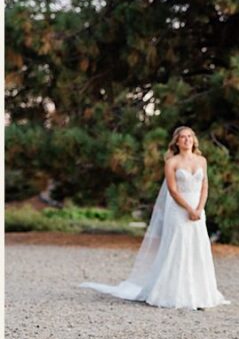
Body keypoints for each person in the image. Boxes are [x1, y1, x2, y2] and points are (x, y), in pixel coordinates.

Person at [82, 126, 229, 310]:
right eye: (183, 137)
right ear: (176, 141)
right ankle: (173, 292)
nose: (187, 140)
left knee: (197, 247)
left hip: (198, 211)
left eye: (190, 136)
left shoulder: (202, 161)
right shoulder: (171, 162)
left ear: (194, 140)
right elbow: (173, 190)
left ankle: (200, 293)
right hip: (180, 210)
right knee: (178, 247)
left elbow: (205, 186)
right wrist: (189, 208)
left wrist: (199, 209)